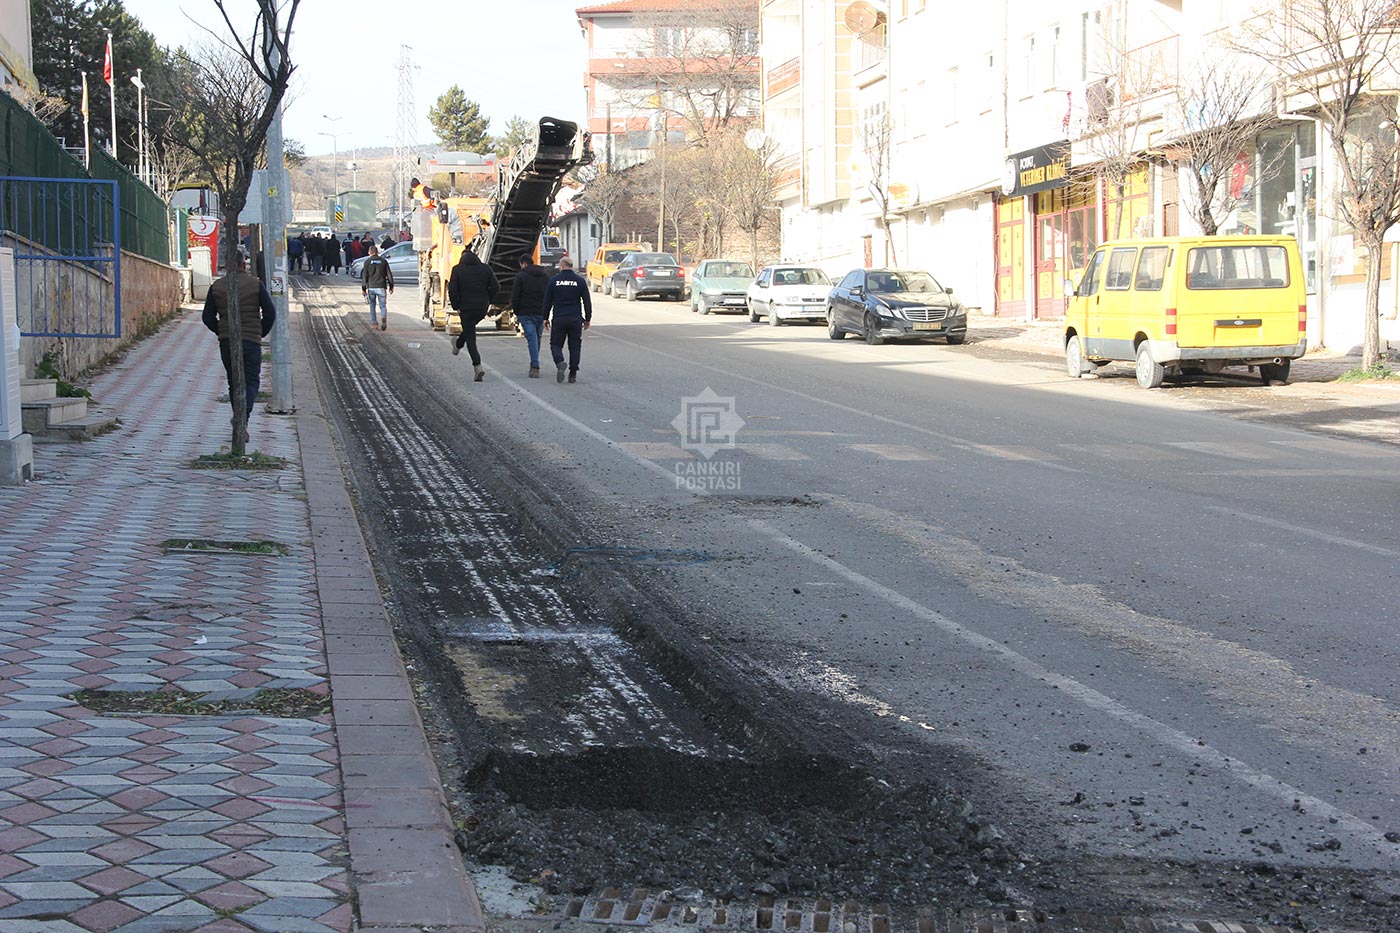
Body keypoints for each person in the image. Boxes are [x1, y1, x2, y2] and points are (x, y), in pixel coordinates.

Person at [201, 250, 276, 426]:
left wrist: (221, 331)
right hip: (251, 341)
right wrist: (260, 332)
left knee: (234, 382)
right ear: (244, 264)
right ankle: (244, 419)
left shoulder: (217, 286)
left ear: (226, 265)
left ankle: (238, 416)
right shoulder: (255, 285)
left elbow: (207, 317)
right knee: (250, 381)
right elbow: (270, 313)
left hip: (227, 342)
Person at [447, 250, 498, 381]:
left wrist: (456, 305)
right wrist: (489, 299)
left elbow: (452, 289)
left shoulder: (457, 270)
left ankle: (478, 366)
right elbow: (496, 286)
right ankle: (457, 344)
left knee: (471, 338)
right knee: (469, 330)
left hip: (466, 308)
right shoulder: (485, 269)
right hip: (481, 308)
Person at [542, 257, 592, 383]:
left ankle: (560, 362)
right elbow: (587, 301)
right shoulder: (580, 280)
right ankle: (573, 373)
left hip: (559, 318)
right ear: (571, 266)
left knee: (555, 344)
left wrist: (545, 318)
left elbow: (547, 301)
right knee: (575, 346)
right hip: (575, 318)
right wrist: (587, 318)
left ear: (561, 266)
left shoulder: (554, 281)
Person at [510, 252, 549, 377]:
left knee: (532, 339)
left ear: (523, 264)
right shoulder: (544, 276)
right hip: (541, 312)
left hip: (526, 313)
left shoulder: (521, 276)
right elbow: (550, 295)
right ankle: (534, 363)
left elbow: (515, 296)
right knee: (536, 338)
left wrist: (517, 311)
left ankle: (535, 365)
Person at [360, 244, 394, 331]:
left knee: (372, 305)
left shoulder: (367, 262)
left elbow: (364, 277)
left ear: (369, 253)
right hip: (381, 287)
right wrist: (391, 286)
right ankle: (383, 318)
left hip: (371, 287)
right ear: (377, 252)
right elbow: (389, 275)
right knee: (382, 305)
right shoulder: (383, 261)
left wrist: (364, 289)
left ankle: (374, 323)